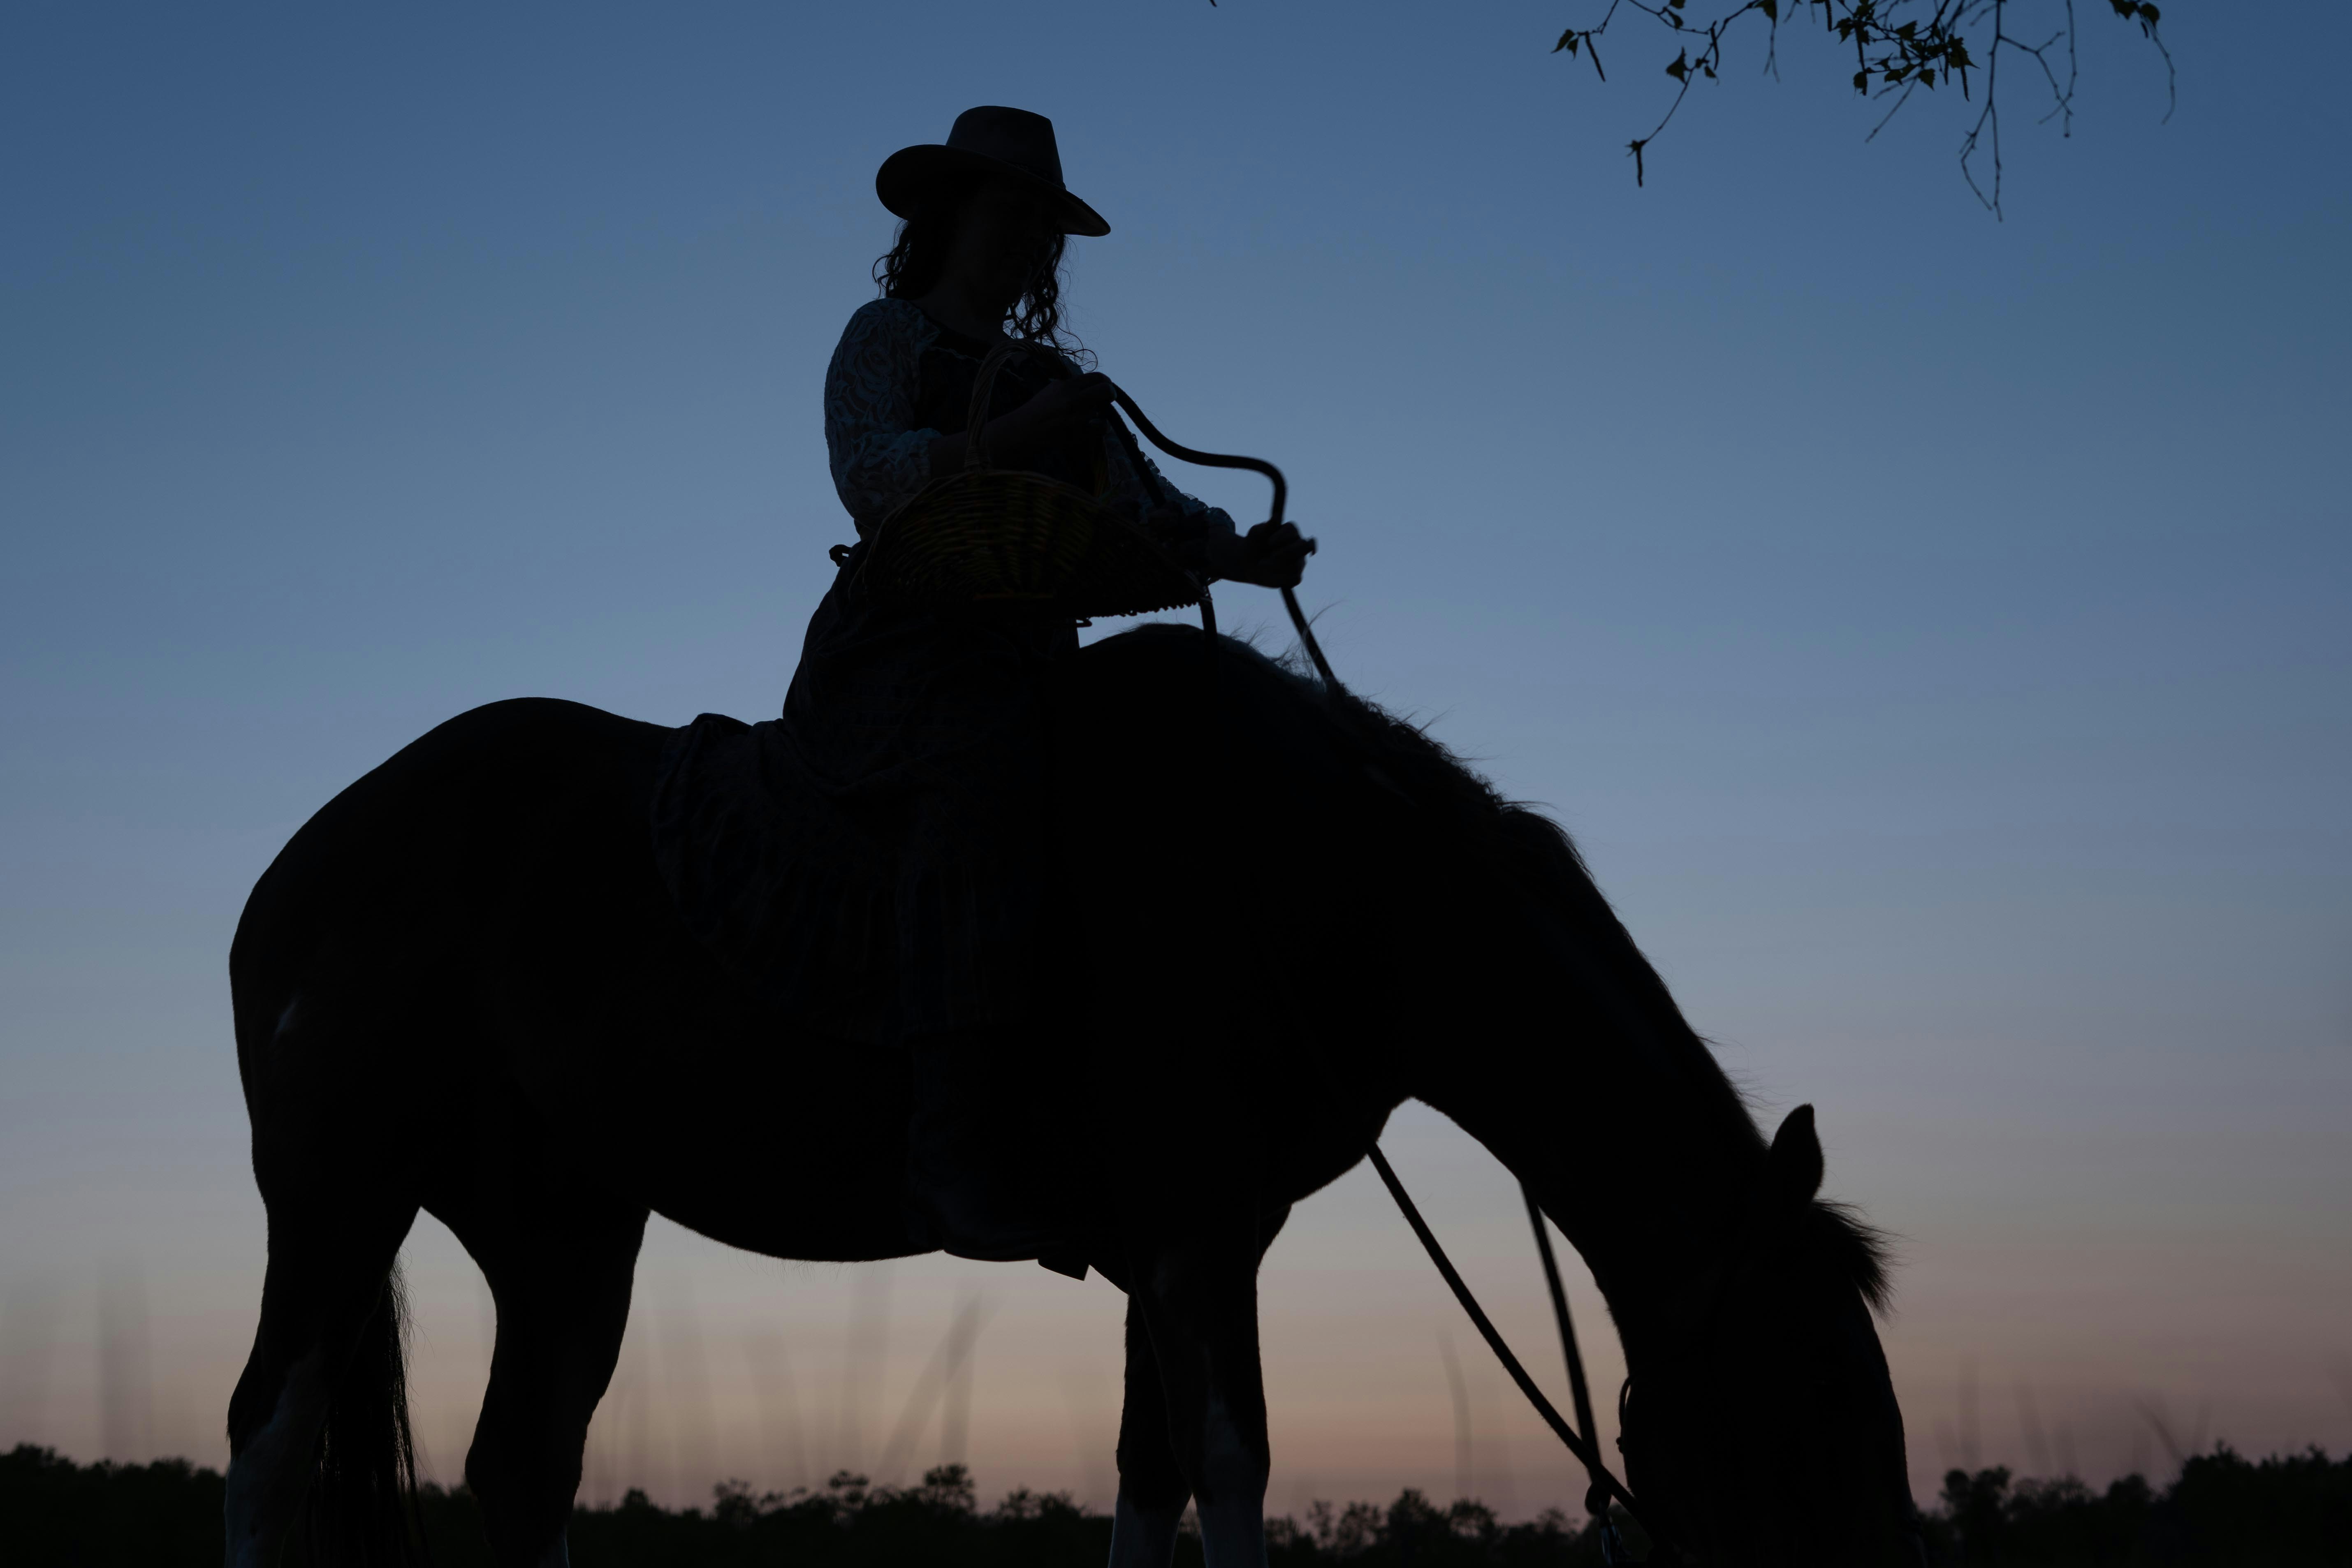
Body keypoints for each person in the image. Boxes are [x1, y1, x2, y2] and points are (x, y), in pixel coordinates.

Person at [797, 107, 1309, 1262]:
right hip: (904, 651)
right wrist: (1018, 432)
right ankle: (947, 1145)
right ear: (949, 218)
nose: (1029, 236)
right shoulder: (884, 336)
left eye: (1044, 222)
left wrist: (1238, 556)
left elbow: (1148, 509)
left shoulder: (1058, 380)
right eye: (1009, 210)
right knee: (979, 775)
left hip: (1032, 655)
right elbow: (870, 480)